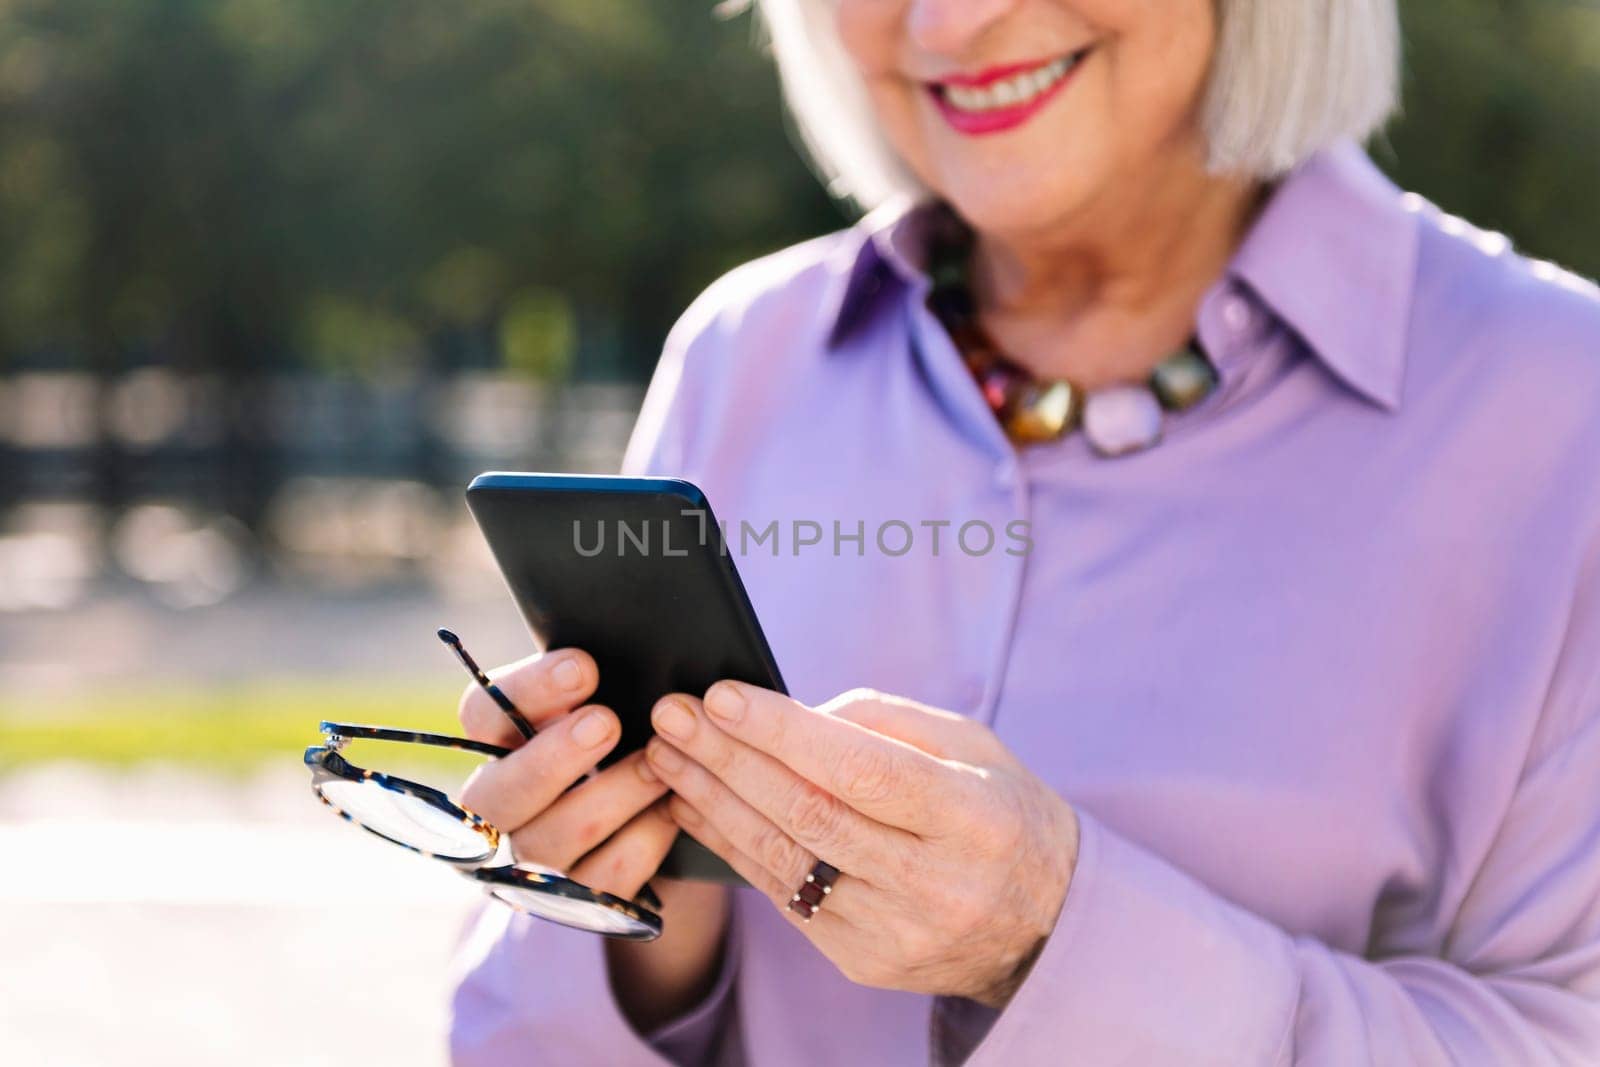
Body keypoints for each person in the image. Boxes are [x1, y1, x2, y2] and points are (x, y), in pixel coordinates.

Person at [448, 0, 1600, 1063]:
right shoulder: (742, 354)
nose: (951, 21)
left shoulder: (1561, 409)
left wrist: (1050, 936)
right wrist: (645, 903)